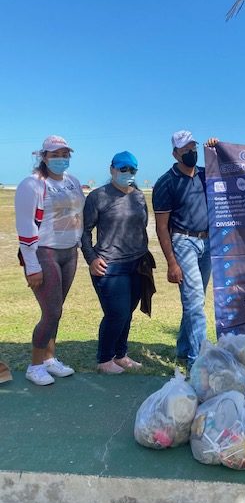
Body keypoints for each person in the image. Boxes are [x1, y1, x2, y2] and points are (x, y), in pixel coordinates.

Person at [15, 135, 85, 386]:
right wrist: (32, 266)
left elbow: (79, 215)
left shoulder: (73, 182)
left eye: (65, 154)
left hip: (69, 252)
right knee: (51, 311)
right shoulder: (31, 184)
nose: (61, 159)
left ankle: (49, 359)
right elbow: (24, 225)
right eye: (55, 155)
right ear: (43, 156)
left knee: (57, 311)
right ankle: (34, 366)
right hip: (45, 252)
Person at [153, 131, 217, 369]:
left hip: (208, 242)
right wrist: (172, 262)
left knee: (194, 301)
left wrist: (216, 149)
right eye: (185, 149)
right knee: (195, 303)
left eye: (194, 147)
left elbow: (228, 171)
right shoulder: (165, 183)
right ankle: (198, 362)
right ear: (175, 153)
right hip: (183, 242)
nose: (191, 152)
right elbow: (161, 227)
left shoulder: (205, 174)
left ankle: (182, 349)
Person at [81, 151, 148, 374]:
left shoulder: (138, 196)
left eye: (132, 170)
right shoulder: (97, 196)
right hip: (109, 266)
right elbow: (85, 232)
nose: (127, 173)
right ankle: (104, 359)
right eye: (123, 169)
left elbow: (142, 227)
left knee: (127, 313)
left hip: (137, 264)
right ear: (112, 169)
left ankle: (120, 355)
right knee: (116, 314)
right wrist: (91, 259)